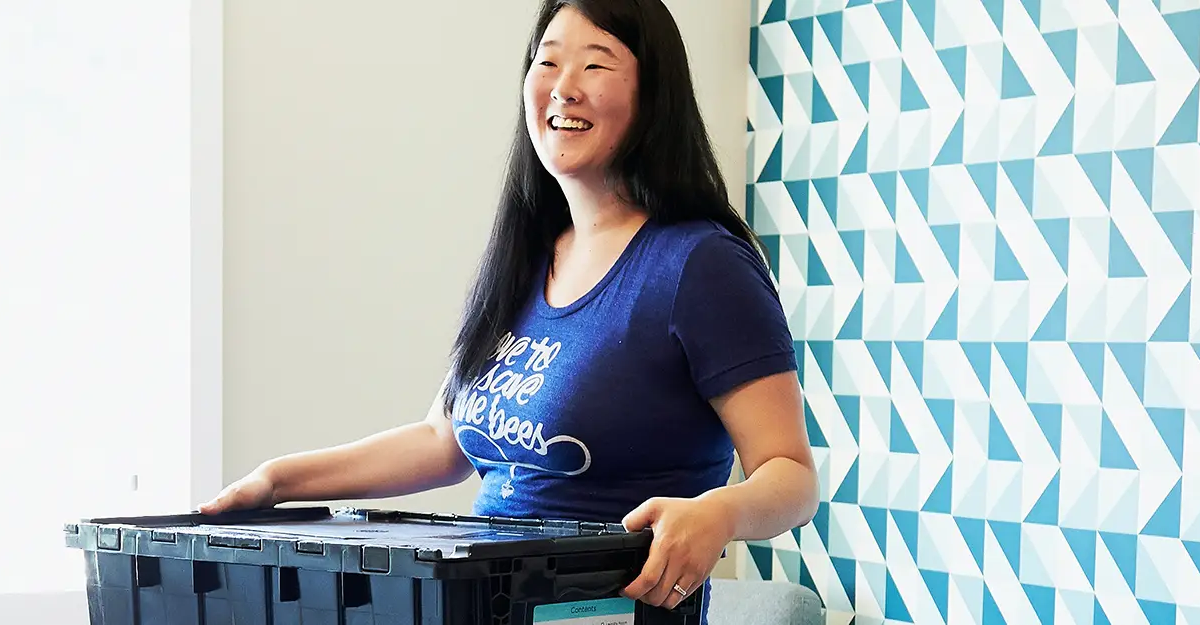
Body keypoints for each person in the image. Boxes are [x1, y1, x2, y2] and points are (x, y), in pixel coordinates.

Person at [195, 0, 818, 612]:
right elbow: (444, 442)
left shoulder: (700, 263)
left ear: (655, 97)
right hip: (487, 603)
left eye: (596, 66)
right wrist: (277, 480)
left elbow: (790, 475)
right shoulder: (523, 259)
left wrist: (717, 512)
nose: (563, 87)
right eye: (547, 62)